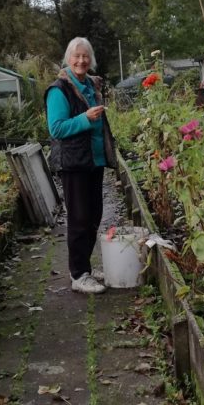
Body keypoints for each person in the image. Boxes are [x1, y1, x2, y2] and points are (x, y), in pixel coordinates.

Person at [45, 37, 118, 294]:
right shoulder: (59, 90)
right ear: (68, 58)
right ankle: (78, 275)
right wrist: (85, 118)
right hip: (74, 163)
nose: (81, 60)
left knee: (94, 216)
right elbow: (56, 128)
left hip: (93, 161)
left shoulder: (91, 84)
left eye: (85, 56)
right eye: (76, 56)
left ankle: (85, 267)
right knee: (79, 219)